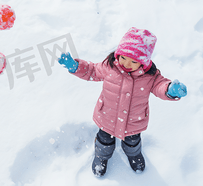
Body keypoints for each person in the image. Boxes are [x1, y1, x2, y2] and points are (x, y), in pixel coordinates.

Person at [58, 27, 187, 177]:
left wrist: (169, 90)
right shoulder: (110, 67)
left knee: (132, 141)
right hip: (107, 115)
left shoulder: (150, 76)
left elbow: (160, 86)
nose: (126, 63)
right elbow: (92, 71)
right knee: (104, 140)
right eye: (123, 57)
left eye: (133, 61)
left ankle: (133, 155)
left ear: (144, 62)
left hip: (134, 121)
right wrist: (76, 67)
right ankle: (101, 157)